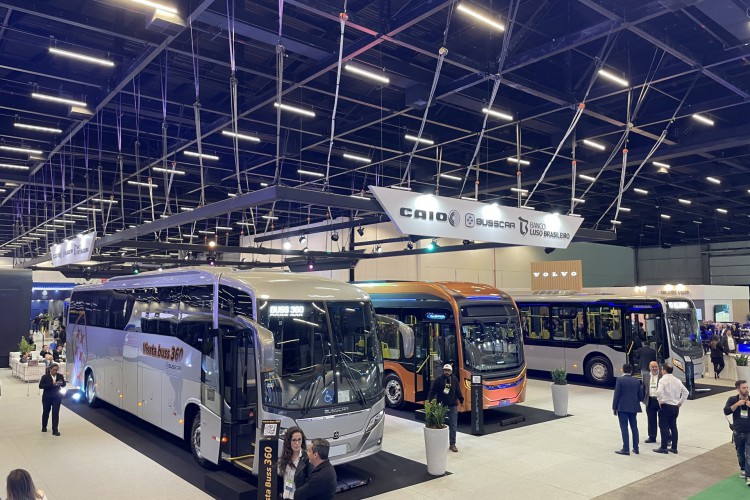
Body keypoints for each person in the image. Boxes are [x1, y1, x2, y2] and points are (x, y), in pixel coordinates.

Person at [427, 363, 464, 452]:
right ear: (443, 371)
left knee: (453, 426)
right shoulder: (438, 380)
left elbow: (458, 391)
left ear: (451, 371)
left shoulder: (454, 379)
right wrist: (429, 401)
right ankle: (438, 444)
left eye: (448, 370)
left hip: (453, 406)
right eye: (445, 370)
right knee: (439, 425)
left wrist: (461, 400)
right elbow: (432, 391)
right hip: (441, 406)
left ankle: (452, 444)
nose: (447, 372)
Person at [653, 363, 688, 454]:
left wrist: (661, 401)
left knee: (663, 427)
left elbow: (659, 392)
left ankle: (664, 447)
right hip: (675, 407)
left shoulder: (662, 380)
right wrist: (680, 402)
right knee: (673, 426)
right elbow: (686, 392)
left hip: (666, 406)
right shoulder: (677, 380)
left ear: (664, 370)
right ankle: (674, 447)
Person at [612, 363, 644, 455]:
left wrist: (614, 407)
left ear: (623, 370)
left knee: (624, 428)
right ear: (631, 371)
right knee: (634, 427)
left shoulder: (620, 380)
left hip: (622, 407)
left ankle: (626, 448)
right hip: (633, 407)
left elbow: (616, 395)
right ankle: (636, 447)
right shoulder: (636, 381)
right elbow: (640, 396)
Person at [723, 379, 750, 486]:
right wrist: (737, 405)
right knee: (740, 452)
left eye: (747, 387)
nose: (746, 390)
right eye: (744, 388)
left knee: (749, 454)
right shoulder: (732, 399)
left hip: (749, 432)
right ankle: (743, 468)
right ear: (738, 389)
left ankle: (748, 475)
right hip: (738, 431)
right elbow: (726, 411)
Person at [278, 426, 310, 499]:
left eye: (299, 440)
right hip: (285, 495)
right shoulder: (286, 456)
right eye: (294, 440)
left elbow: (309, 483)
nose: (297, 443)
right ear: (289, 441)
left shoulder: (306, 458)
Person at [39, 362, 66, 436]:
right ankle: (44, 426)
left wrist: (60, 383)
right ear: (50, 369)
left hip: (57, 397)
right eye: (54, 370)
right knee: (46, 412)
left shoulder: (60, 376)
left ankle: (55, 430)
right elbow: (41, 386)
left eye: (57, 370)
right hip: (47, 397)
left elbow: (64, 384)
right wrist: (51, 384)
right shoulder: (45, 377)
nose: (55, 371)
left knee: (55, 413)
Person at [642, 361, 663, 444]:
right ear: (649, 367)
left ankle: (667, 438)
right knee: (651, 420)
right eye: (653, 367)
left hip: (660, 401)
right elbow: (644, 387)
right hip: (650, 400)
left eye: (656, 366)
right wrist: (643, 399)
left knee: (663, 421)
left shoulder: (662, 376)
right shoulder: (646, 376)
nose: (654, 368)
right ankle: (652, 436)